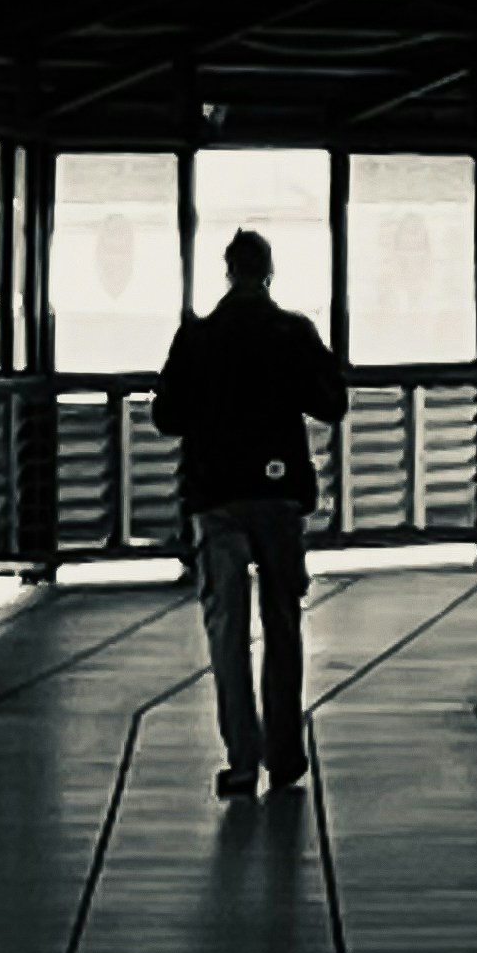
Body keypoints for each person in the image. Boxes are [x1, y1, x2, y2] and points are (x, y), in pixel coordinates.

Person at [149, 228, 340, 799]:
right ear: (270, 272)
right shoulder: (292, 332)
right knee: (282, 624)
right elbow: (333, 403)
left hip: (216, 497)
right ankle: (285, 754)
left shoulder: (199, 337)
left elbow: (166, 415)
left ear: (228, 272)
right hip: (278, 499)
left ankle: (240, 760)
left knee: (227, 629)